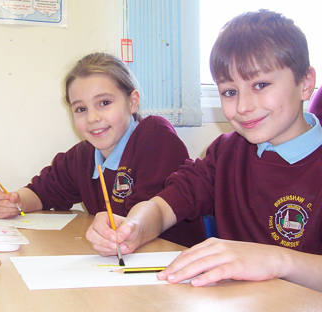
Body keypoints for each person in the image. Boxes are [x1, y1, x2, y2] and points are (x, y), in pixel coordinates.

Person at [86, 10, 322, 292]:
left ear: (306, 83)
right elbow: (162, 207)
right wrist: (133, 228)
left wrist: (278, 261)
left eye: (260, 85)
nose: (243, 106)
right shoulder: (225, 153)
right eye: (229, 92)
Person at [0, 52, 206, 247]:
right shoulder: (84, 155)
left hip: (168, 259)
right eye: (81, 109)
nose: (93, 118)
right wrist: (16, 202)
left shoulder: (155, 137)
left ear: (132, 102)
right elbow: (42, 192)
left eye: (104, 103)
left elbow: (146, 218)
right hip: (119, 261)